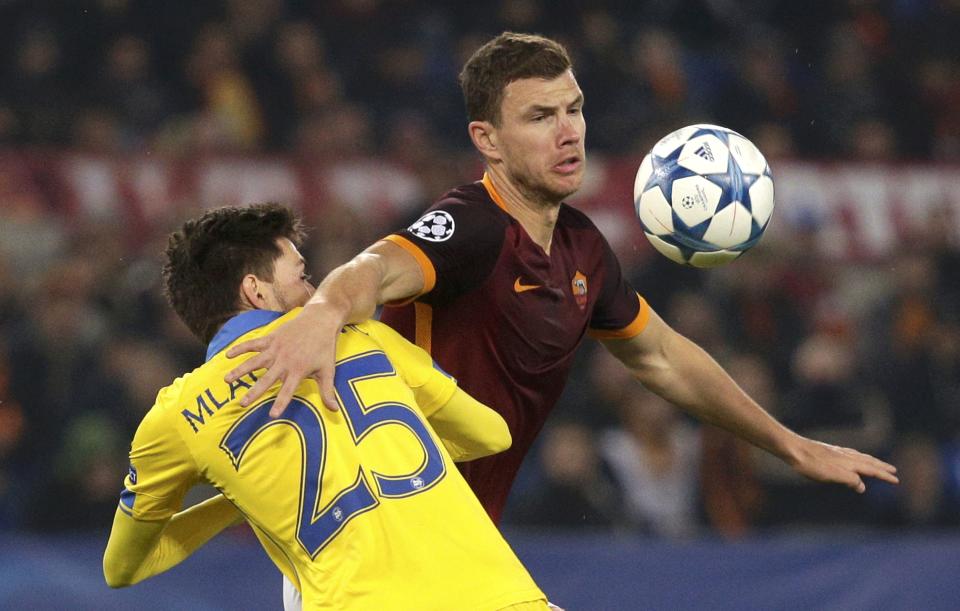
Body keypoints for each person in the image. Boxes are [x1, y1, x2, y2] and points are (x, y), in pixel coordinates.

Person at [224, 32, 898, 525]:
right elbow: (372, 268)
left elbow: (663, 357)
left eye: (573, 108)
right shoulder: (472, 225)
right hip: (375, 530)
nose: (569, 132)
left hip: (456, 532)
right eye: (540, 117)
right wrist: (321, 313)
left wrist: (789, 443)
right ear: (487, 140)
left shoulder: (582, 249)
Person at [102, 203, 550, 611]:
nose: (314, 289)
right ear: (255, 291)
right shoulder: (363, 336)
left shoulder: (177, 416)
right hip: (503, 598)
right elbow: (492, 435)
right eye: (300, 276)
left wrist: (236, 498)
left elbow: (122, 569)